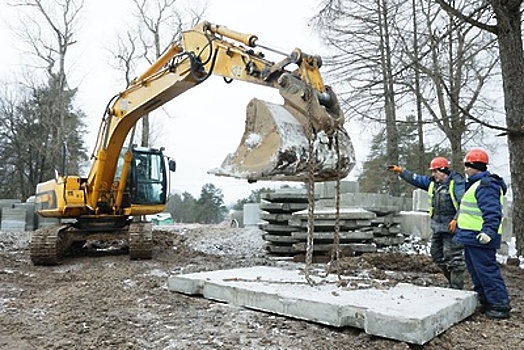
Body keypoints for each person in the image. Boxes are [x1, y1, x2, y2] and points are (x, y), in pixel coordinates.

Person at [388, 157, 466, 289]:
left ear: (444, 171)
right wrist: (401, 171)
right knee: (436, 254)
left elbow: (464, 203)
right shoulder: (433, 184)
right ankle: (451, 281)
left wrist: (456, 219)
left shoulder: (456, 184)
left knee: (453, 258)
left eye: (435, 172)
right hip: (438, 227)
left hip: (452, 228)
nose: (433, 175)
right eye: (432, 172)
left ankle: (457, 286)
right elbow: (416, 179)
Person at [454, 148, 511, 319]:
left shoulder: (487, 185)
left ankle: (499, 304)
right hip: (472, 238)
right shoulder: (476, 185)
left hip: (481, 238)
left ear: (475, 166)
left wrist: (488, 232)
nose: (465, 170)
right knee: (476, 271)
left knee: (486, 271)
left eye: (468, 166)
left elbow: (492, 212)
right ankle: (486, 300)